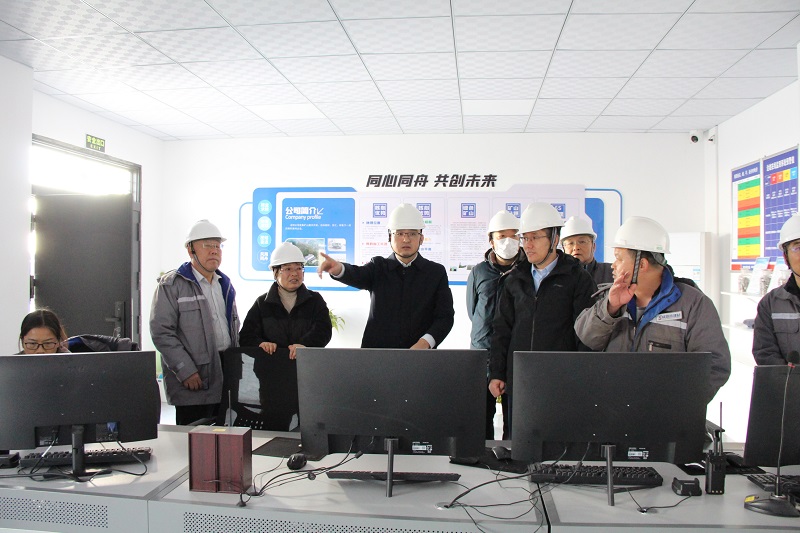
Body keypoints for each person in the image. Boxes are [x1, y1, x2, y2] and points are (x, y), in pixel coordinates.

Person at [575, 216, 731, 403]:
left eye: (618, 258)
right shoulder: (611, 297)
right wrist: (610, 308)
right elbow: (586, 338)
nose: (613, 265)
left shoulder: (694, 304)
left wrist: (677, 405)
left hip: (666, 415)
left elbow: (714, 365)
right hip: (612, 409)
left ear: (641, 265)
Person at [488, 203, 596, 436]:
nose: (527, 245)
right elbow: (501, 329)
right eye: (525, 238)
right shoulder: (514, 279)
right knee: (517, 441)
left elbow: (585, 334)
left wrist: (581, 377)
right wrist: (497, 372)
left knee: (558, 442)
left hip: (561, 380)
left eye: (535, 237)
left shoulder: (578, 279)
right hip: (519, 379)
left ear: (554, 239)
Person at [317, 203, 454, 349]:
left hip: (419, 356)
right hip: (376, 355)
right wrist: (339, 269)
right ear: (390, 237)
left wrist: (425, 343)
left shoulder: (435, 272)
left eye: (412, 233)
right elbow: (357, 274)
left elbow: (445, 317)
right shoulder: (378, 267)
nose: (406, 239)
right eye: (399, 233)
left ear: (421, 238)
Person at [150, 219, 240, 426]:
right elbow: (161, 332)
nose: (214, 251)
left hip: (224, 373)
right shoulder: (172, 285)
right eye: (207, 245)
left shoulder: (224, 284)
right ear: (191, 250)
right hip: (194, 378)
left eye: (218, 246)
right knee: (193, 439)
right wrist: (185, 370)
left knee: (224, 436)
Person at [239, 241, 332, 430]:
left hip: (307, 377)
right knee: (275, 427)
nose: (294, 274)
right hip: (273, 379)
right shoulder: (262, 304)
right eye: (288, 269)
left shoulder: (315, 301)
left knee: (310, 428)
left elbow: (324, 331)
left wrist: (304, 345)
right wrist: (261, 344)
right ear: (275, 272)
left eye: (299, 268)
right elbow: (246, 336)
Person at [466, 209, 525, 439]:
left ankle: (512, 456)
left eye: (513, 235)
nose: (508, 241)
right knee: (480, 416)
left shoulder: (527, 271)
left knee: (515, 416)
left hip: (514, 352)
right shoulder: (479, 272)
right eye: (502, 236)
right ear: (491, 240)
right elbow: (473, 310)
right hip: (483, 352)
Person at [753, 214, 800, 365]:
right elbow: (765, 353)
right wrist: (789, 374)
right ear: (786, 257)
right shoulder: (770, 304)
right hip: (788, 380)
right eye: (798, 247)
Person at [561, 215, 613, 287]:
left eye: (582, 242)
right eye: (570, 243)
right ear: (563, 249)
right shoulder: (557, 278)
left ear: (593, 246)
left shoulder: (611, 273)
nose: (576, 247)